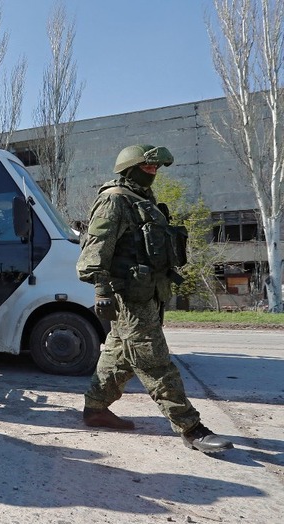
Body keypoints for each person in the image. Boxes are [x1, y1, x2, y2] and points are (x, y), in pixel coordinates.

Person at [77, 144, 233, 453]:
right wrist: (101, 291)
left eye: (156, 168)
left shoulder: (142, 201)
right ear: (129, 168)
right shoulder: (114, 200)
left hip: (147, 293)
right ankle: (191, 428)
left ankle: (95, 409)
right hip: (128, 298)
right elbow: (93, 253)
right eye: (148, 167)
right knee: (155, 361)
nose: (153, 172)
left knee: (119, 356)